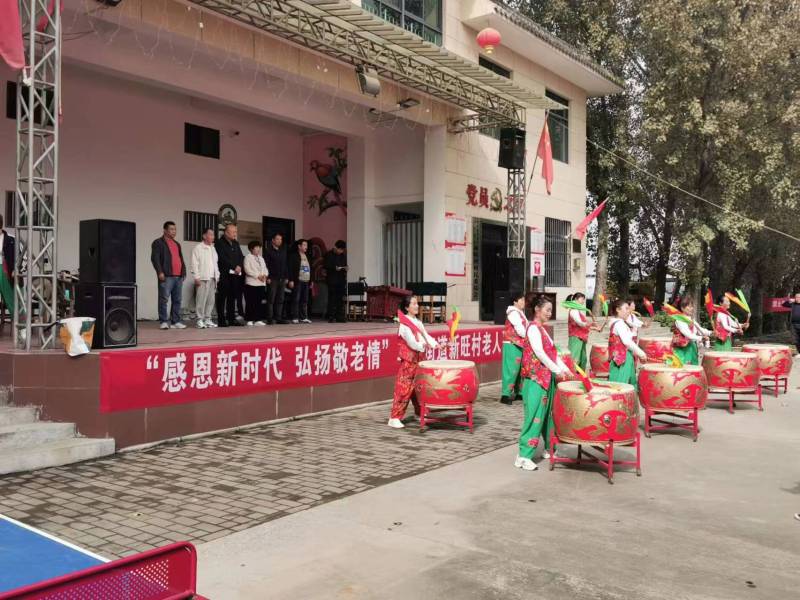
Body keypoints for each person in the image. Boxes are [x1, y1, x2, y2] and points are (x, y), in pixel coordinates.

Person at [515, 295, 569, 471]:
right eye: (547, 310)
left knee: (547, 417)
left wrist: (565, 369)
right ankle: (523, 456)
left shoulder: (542, 330)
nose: (550, 313)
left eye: (551, 310)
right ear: (537, 310)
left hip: (546, 378)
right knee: (534, 417)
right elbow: (539, 352)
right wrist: (557, 370)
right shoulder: (532, 328)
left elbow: (552, 353)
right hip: (535, 380)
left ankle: (549, 448)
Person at [388, 295, 440, 428]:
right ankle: (394, 418)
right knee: (403, 389)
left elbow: (425, 336)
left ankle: (420, 412)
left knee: (419, 388)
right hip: (408, 362)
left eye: (417, 303)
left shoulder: (417, 322)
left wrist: (436, 345)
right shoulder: (404, 325)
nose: (417, 306)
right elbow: (412, 343)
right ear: (407, 307)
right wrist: (424, 345)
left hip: (419, 360)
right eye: (414, 304)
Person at [150, 221, 187, 329]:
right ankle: (163, 321)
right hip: (166, 275)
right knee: (164, 299)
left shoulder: (177, 244)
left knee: (177, 300)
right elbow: (155, 259)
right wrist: (159, 272)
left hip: (178, 276)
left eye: (175, 229)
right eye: (171, 229)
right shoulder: (158, 242)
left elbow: (180, 259)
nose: (174, 231)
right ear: (165, 230)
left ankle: (175, 321)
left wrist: (183, 272)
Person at [607, 299, 647, 387]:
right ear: (618, 310)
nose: (629, 311)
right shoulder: (619, 324)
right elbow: (627, 341)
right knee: (621, 384)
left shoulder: (618, 322)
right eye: (626, 308)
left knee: (625, 382)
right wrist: (641, 353)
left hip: (621, 356)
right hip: (623, 358)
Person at [500, 291, 528, 405]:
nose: (524, 302)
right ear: (515, 301)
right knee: (511, 370)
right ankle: (505, 395)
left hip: (520, 344)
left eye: (524, 299)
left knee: (520, 369)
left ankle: (519, 392)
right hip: (512, 344)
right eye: (521, 300)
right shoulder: (513, 313)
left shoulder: (520, 313)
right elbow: (520, 329)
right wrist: (530, 336)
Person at [215, 223, 245, 327]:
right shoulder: (219, 243)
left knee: (232, 297)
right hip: (224, 274)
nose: (235, 234)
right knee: (222, 297)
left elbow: (241, 256)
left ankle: (231, 319)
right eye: (233, 232)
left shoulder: (236, 243)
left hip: (235, 275)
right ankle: (221, 320)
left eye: (236, 232)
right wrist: (233, 266)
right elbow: (222, 258)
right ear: (226, 232)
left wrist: (239, 265)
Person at [190, 227, 220, 328]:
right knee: (201, 300)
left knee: (211, 300)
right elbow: (194, 263)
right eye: (210, 234)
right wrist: (196, 277)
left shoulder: (213, 248)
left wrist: (217, 276)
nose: (213, 237)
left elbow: (215, 263)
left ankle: (208, 319)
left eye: (213, 235)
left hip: (212, 278)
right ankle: (199, 320)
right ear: (204, 236)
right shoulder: (198, 248)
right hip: (202, 278)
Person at [671, 296, 711, 366]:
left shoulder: (691, 320)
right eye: (689, 306)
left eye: (692, 306)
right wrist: (701, 338)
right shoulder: (679, 320)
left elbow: (701, 330)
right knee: (682, 367)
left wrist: (711, 333)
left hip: (691, 347)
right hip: (682, 349)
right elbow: (688, 334)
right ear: (682, 308)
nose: (691, 308)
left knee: (692, 367)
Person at [567, 292, 597, 371]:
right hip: (576, 337)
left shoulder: (578, 311)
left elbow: (583, 324)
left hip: (581, 337)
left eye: (584, 299)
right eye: (582, 299)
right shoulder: (574, 310)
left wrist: (594, 327)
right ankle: (573, 375)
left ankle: (580, 375)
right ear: (576, 299)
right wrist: (589, 324)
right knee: (575, 358)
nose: (583, 301)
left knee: (582, 358)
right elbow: (579, 323)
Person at [264, 233, 289, 325]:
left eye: (280, 239)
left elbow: (285, 265)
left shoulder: (283, 251)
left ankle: (278, 318)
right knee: (271, 299)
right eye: (277, 239)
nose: (279, 241)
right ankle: (270, 318)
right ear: (273, 240)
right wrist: (268, 277)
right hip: (272, 278)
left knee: (280, 299)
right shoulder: (268, 251)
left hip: (282, 278)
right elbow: (265, 265)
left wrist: (287, 276)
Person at [288, 239, 312, 324]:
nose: (306, 247)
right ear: (299, 246)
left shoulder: (307, 256)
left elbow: (310, 268)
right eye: (304, 245)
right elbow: (290, 268)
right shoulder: (294, 256)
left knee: (305, 300)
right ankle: (295, 317)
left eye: (306, 245)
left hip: (306, 280)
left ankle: (304, 317)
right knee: (296, 299)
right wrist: (291, 280)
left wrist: (311, 281)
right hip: (298, 280)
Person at [324, 240, 348, 323]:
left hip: (341, 280)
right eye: (340, 249)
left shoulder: (343, 255)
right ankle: (331, 316)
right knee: (332, 298)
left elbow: (344, 264)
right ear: (335, 247)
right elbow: (326, 265)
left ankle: (340, 316)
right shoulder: (328, 254)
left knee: (340, 299)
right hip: (332, 280)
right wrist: (334, 268)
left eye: (342, 250)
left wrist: (345, 268)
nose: (341, 251)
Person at [0, 216, 15, 312]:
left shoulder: (10, 239)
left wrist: (14, 269)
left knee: (10, 295)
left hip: (5, 269)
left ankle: (20, 316)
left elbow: (18, 256)